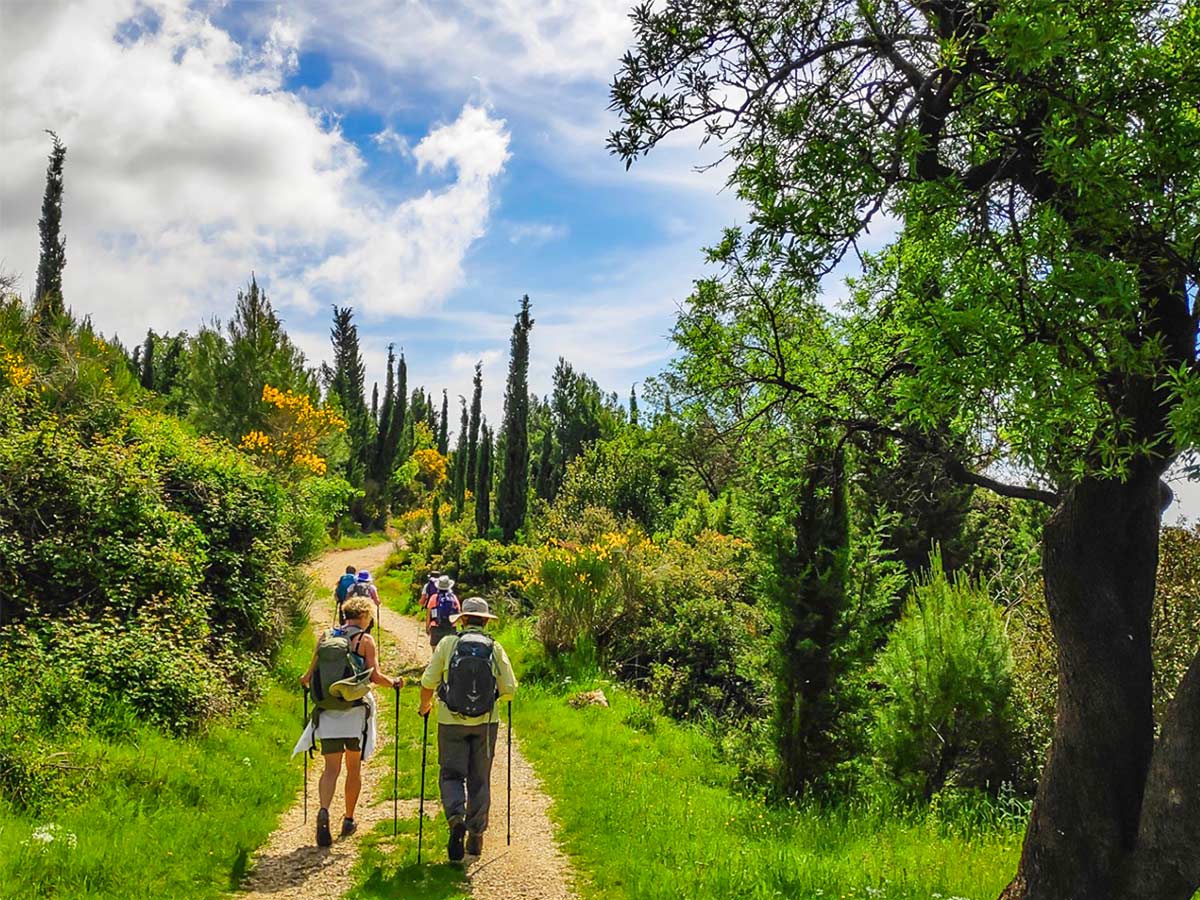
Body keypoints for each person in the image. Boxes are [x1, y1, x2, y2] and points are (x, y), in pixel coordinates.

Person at [418, 597, 517, 861]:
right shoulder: (495, 648)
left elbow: (428, 681)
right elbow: (510, 689)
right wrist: (493, 699)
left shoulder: (448, 644)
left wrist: (425, 706)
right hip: (485, 723)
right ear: (485, 621)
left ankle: (455, 819)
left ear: (462, 619)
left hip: (450, 721)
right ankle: (475, 837)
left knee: (451, 774)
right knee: (479, 777)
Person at [299, 596, 403, 847]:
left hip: (328, 713)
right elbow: (375, 676)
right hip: (354, 713)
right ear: (366, 617)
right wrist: (396, 683)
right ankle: (348, 818)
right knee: (353, 768)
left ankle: (324, 810)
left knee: (330, 769)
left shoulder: (325, 638)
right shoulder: (365, 640)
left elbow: (306, 677)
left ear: (345, 615)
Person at [426, 574, 460, 648]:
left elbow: (429, 614)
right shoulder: (453, 598)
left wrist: (427, 627)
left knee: (435, 651)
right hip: (451, 628)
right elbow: (458, 612)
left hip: (436, 627)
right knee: (449, 651)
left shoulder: (434, 597)